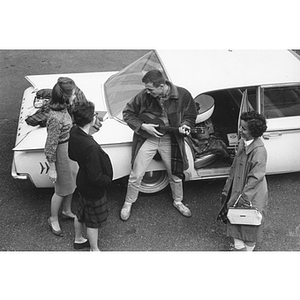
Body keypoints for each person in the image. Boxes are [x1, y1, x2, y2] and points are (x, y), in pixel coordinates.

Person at [120, 69, 197, 221]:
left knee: (175, 173)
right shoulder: (143, 95)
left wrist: (186, 125)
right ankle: (128, 203)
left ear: (161, 86)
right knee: (136, 174)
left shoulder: (183, 94)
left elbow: (190, 115)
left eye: (150, 89)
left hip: (171, 139)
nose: (147, 92)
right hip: (148, 138)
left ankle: (178, 201)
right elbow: (127, 113)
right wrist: (143, 126)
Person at [217, 111, 268, 251]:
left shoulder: (259, 151)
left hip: (249, 193)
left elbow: (256, 178)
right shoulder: (243, 141)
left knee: (249, 224)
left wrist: (243, 198)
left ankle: (247, 251)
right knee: (236, 219)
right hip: (237, 187)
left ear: (254, 131)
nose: (240, 130)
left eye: (243, 128)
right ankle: (239, 247)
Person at [68, 101, 113, 251]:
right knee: (93, 221)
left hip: (82, 181)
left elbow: (71, 155)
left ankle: (78, 239)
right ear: (90, 119)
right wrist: (107, 181)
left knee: (81, 213)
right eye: (94, 114)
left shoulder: (74, 131)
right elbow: (96, 177)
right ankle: (94, 250)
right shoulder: (91, 146)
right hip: (93, 188)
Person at [46, 77, 84, 237]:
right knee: (61, 189)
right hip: (61, 153)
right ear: (65, 97)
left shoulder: (64, 109)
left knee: (71, 184)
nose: (75, 96)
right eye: (73, 94)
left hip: (69, 149)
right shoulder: (56, 117)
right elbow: (50, 145)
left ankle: (66, 210)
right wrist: (52, 168)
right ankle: (53, 218)